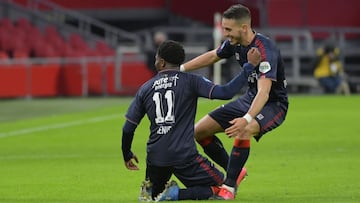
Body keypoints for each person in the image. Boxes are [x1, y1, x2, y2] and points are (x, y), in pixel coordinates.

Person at [122, 40, 261, 201]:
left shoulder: (145, 88)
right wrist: (249, 67)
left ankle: (153, 190)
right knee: (224, 188)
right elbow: (226, 92)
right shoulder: (191, 81)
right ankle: (175, 194)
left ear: (161, 62)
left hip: (156, 157)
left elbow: (128, 128)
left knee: (153, 196)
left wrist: (127, 153)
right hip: (184, 156)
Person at [180, 4, 289, 200]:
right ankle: (236, 172)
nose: (225, 33)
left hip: (273, 104)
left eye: (228, 29)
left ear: (244, 28)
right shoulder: (234, 43)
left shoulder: (265, 49)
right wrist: (180, 69)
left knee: (244, 129)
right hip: (249, 98)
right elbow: (213, 56)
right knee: (199, 131)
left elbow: (264, 92)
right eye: (224, 28)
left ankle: (228, 188)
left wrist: (246, 118)